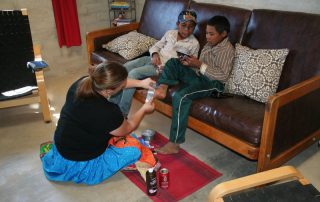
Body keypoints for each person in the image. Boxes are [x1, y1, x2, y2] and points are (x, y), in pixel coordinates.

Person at [41, 62, 157, 185]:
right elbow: (129, 127)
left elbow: (116, 84)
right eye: (122, 85)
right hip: (80, 161)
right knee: (134, 150)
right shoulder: (108, 111)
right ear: (109, 90)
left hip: (61, 146)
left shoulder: (82, 83)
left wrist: (141, 83)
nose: (124, 85)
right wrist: (144, 109)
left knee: (115, 134)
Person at [154, 16, 235, 154]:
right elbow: (201, 66)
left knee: (181, 96)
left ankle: (174, 143)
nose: (207, 37)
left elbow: (223, 76)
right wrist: (191, 64)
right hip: (199, 76)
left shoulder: (226, 49)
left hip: (213, 84)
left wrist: (199, 64)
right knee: (173, 62)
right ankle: (163, 86)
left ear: (224, 34)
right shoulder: (210, 44)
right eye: (206, 33)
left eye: (211, 34)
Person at [110, 10, 200, 117]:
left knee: (133, 74)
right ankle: (112, 103)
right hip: (152, 59)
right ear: (177, 24)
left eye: (191, 27)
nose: (187, 29)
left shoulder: (194, 44)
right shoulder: (170, 33)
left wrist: (183, 65)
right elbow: (156, 46)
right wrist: (154, 54)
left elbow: (192, 65)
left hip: (163, 67)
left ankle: (122, 113)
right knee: (124, 68)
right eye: (183, 25)